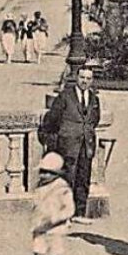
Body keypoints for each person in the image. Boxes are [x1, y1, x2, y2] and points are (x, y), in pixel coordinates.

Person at [37, 64, 101, 219]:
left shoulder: (94, 98)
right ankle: (65, 213)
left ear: (92, 80)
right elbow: (52, 119)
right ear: (76, 78)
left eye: (88, 78)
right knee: (68, 179)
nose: (85, 81)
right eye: (82, 78)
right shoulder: (65, 96)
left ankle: (80, 212)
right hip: (68, 144)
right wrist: (56, 138)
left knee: (83, 178)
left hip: (86, 145)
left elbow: (95, 119)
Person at [27, 152, 76, 255]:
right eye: (42, 172)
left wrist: (54, 219)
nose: (44, 175)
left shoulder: (62, 188)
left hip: (55, 228)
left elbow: (70, 210)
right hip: (39, 226)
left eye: (48, 172)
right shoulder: (38, 187)